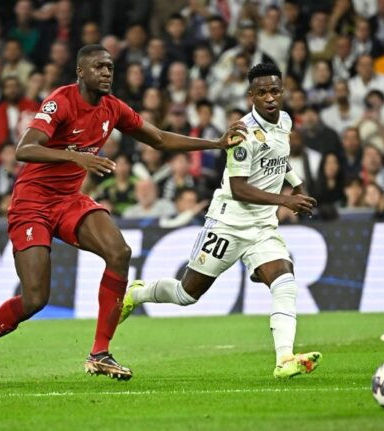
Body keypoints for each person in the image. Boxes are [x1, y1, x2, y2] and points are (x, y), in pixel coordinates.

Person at [0, 44, 246, 388]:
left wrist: (215, 144)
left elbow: (160, 139)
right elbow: (24, 149)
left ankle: (99, 352)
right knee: (35, 299)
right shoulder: (60, 101)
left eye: (110, 67)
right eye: (99, 67)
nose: (107, 72)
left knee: (119, 253)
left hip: (68, 200)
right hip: (32, 203)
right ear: (80, 71)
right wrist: (75, 157)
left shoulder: (112, 108)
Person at [118, 63, 322, 379]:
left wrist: (296, 184)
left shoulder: (284, 121)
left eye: (275, 91)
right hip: (228, 223)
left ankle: (285, 360)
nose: (270, 97)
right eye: (263, 92)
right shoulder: (242, 134)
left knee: (285, 282)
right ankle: (139, 292)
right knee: (187, 294)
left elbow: (278, 160)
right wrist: (286, 199)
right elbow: (239, 189)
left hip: (262, 226)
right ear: (251, 95)